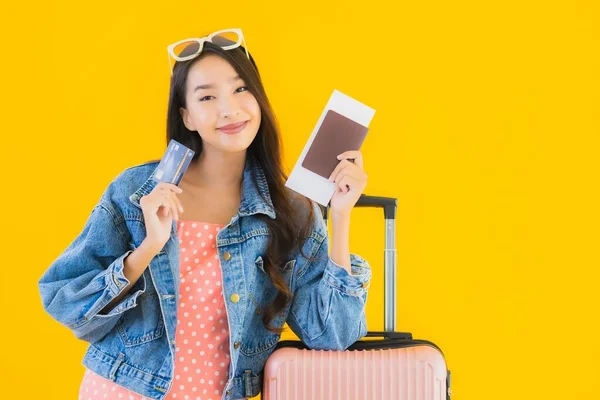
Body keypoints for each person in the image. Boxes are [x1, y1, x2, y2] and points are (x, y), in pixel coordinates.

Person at [38, 28, 372, 400]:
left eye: (240, 89)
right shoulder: (137, 191)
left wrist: (340, 215)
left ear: (258, 99)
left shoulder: (291, 211)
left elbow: (334, 336)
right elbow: (66, 304)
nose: (228, 108)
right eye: (207, 96)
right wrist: (150, 246)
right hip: (122, 391)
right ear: (188, 116)